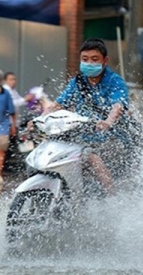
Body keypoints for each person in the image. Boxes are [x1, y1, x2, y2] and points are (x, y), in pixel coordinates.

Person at [42, 38, 130, 193]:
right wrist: (41, 118)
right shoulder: (78, 82)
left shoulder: (115, 81)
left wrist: (108, 122)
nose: (89, 63)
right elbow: (58, 104)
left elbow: (118, 106)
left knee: (90, 157)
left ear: (105, 61)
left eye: (94, 59)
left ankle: (113, 198)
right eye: (85, 59)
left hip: (112, 139)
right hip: (83, 136)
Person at [0, 82, 16, 188]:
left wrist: (13, 127)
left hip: (3, 127)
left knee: (1, 151)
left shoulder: (6, 94)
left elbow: (12, 112)